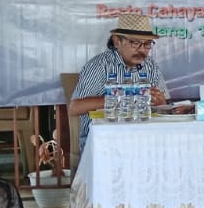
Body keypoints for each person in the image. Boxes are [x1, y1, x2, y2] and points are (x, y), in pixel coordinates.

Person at [67, 12, 169, 145]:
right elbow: (74, 108)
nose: (142, 50)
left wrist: (161, 102)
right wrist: (122, 98)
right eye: (135, 42)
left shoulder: (150, 65)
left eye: (147, 44)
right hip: (104, 141)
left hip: (144, 138)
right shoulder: (100, 65)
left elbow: (164, 105)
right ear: (117, 41)